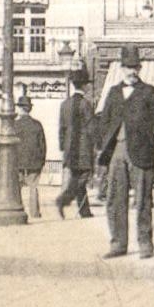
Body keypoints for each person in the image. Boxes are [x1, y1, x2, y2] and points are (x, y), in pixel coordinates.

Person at [94, 44, 154, 259]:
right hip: (116, 151)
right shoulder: (114, 92)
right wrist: (104, 143)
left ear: (140, 68)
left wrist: (148, 141)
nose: (132, 71)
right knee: (115, 199)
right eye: (128, 67)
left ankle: (145, 243)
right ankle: (118, 243)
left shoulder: (149, 92)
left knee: (143, 199)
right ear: (121, 68)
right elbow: (104, 120)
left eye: (135, 67)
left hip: (141, 153)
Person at [56, 66, 96, 219]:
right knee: (82, 177)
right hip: (83, 148)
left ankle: (84, 211)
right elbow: (91, 128)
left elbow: (61, 128)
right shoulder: (86, 104)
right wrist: (96, 145)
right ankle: (63, 200)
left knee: (77, 176)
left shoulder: (64, 104)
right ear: (85, 86)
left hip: (69, 148)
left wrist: (62, 146)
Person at [14, 93, 47, 220]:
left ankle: (18, 209)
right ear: (29, 109)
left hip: (18, 162)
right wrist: (42, 160)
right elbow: (43, 145)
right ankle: (35, 212)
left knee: (17, 187)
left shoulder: (15, 125)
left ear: (21, 108)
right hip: (34, 163)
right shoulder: (37, 124)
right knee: (33, 188)